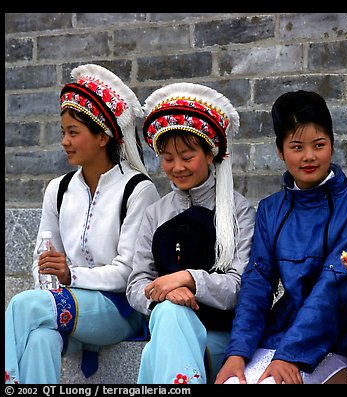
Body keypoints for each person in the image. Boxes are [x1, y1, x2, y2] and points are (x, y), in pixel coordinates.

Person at [4, 64, 161, 384]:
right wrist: (53, 281)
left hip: (119, 312)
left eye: (73, 132)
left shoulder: (138, 190)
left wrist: (70, 274)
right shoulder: (58, 190)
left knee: (24, 306)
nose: (65, 141)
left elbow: (127, 273)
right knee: (39, 340)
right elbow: (42, 261)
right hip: (65, 305)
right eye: (63, 132)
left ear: (102, 136)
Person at [214, 90, 347, 384]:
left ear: (332, 144)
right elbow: (257, 284)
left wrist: (290, 354)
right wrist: (237, 352)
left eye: (319, 145)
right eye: (297, 147)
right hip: (279, 338)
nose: (309, 156)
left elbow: (333, 288)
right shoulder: (270, 210)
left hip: (335, 343)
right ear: (280, 151)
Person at [126, 82, 256, 384]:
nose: (177, 167)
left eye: (187, 156)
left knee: (154, 353)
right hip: (167, 323)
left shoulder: (238, 211)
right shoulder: (155, 213)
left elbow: (241, 286)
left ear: (210, 155)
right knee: (171, 313)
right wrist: (168, 294)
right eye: (168, 158)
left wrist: (189, 278)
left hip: (217, 334)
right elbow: (136, 284)